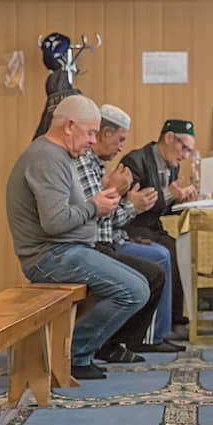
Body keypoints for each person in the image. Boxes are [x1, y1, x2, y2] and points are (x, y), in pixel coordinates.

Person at [5, 95, 151, 380]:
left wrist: (99, 201)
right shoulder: (47, 157)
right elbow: (55, 222)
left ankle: (77, 352)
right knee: (134, 291)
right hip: (50, 255)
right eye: (91, 133)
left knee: (141, 284)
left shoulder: (59, 155)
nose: (93, 141)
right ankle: (75, 355)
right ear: (69, 126)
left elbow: (68, 212)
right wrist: (96, 206)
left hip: (66, 250)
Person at [75, 104, 185, 354]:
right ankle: (130, 340)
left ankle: (149, 334)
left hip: (113, 238)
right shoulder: (125, 162)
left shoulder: (97, 164)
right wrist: (129, 201)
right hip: (103, 242)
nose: (122, 146)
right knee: (158, 260)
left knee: (163, 254)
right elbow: (102, 218)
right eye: (120, 139)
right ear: (104, 134)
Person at [118, 120, 198, 337]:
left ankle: (175, 319)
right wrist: (170, 195)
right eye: (185, 148)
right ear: (169, 138)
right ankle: (163, 325)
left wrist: (182, 201)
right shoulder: (135, 162)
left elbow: (163, 207)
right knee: (169, 252)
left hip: (152, 227)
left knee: (180, 248)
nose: (186, 156)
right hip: (131, 228)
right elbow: (131, 205)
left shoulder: (173, 165)